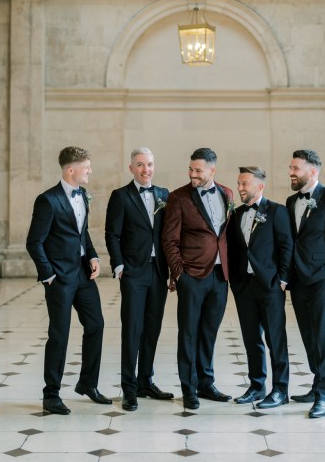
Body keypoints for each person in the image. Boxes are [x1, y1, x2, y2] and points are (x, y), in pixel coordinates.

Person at [26, 146, 111, 415]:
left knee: (96, 324)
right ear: (71, 169)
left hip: (83, 275)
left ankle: (87, 383)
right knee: (59, 335)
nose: (90, 171)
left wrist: (94, 256)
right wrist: (49, 275)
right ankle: (51, 395)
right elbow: (34, 242)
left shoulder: (83, 195)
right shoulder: (47, 200)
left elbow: (82, 233)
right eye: (87, 167)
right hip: (60, 279)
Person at [162, 147, 234, 410]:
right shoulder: (178, 197)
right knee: (189, 333)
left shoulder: (227, 193)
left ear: (212, 170)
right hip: (192, 276)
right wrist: (179, 273)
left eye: (198, 170)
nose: (193, 174)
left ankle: (206, 383)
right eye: (191, 169)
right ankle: (188, 387)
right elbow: (169, 240)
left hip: (220, 276)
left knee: (209, 333)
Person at [105, 147, 173, 412]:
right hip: (133, 272)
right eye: (141, 165)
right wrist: (119, 264)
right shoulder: (120, 196)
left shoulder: (163, 195)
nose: (146, 170)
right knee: (132, 330)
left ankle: (146, 381)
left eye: (150, 164)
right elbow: (112, 234)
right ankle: (129, 388)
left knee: (152, 329)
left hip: (158, 271)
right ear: (131, 168)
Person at [286, 149, 325, 418]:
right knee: (309, 336)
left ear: (312, 172)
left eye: (296, 168)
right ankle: (316, 384)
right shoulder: (291, 202)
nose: (291, 172)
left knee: (324, 339)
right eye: (290, 168)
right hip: (299, 281)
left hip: (323, 280)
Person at [228, 166, 293, 408]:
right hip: (244, 287)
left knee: (275, 339)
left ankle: (280, 390)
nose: (240, 188)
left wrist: (283, 280)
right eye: (239, 183)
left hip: (270, 285)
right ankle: (256, 386)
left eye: (245, 183)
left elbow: (287, 247)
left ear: (260, 186)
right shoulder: (235, 215)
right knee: (251, 338)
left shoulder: (277, 212)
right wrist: (235, 282)